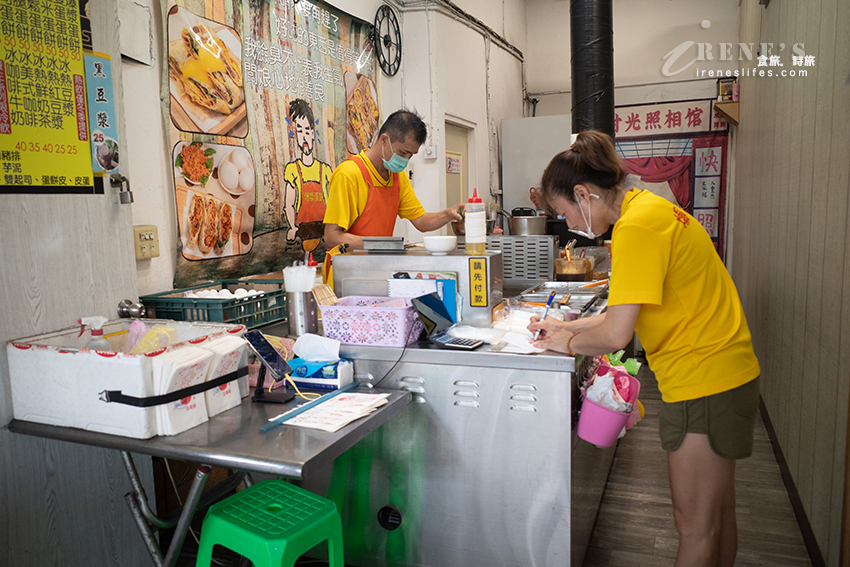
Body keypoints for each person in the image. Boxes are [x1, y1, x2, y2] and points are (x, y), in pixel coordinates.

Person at [528, 130, 761, 567]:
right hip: (724, 374)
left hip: (702, 382)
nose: (573, 227)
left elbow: (617, 334)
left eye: (565, 214)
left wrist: (568, 341)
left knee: (693, 526)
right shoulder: (652, 210)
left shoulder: (636, 226)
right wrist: (566, 326)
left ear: (583, 194)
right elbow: (624, 313)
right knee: (715, 516)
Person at [322, 110, 463, 283]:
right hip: (345, 274)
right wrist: (383, 245)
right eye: (403, 153)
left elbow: (421, 220)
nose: (406, 159)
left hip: (378, 270)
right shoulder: (349, 174)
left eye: (411, 155)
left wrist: (449, 214)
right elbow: (332, 237)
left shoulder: (398, 177)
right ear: (384, 140)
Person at [283, 98, 331, 244]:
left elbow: (335, 204)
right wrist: (293, 228)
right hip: (302, 230)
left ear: (312, 132)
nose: (304, 136)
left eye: (307, 130)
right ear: (295, 135)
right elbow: (289, 205)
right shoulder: (292, 170)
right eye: (299, 130)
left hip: (325, 229)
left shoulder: (325, 170)